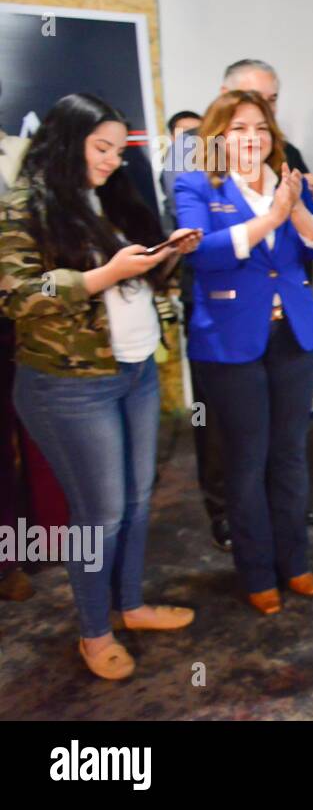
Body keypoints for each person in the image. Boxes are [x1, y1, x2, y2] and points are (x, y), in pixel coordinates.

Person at [0, 93, 202, 679]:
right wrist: (103, 274)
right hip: (67, 385)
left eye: (118, 149)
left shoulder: (109, 196)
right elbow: (16, 295)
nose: (113, 160)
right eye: (101, 147)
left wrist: (166, 256)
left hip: (135, 368)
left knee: (138, 502)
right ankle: (94, 633)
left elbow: (133, 285)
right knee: (100, 515)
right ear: (67, 141)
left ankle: (131, 606)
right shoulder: (23, 205)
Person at [174, 90, 313, 616]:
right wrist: (270, 219)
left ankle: (295, 562)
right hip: (229, 342)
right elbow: (200, 253)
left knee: (290, 455)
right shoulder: (195, 184)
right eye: (240, 128)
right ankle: (256, 571)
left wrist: (293, 212)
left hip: (292, 335)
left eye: (261, 128)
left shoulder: (287, 181)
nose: (253, 138)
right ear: (218, 136)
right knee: (247, 461)